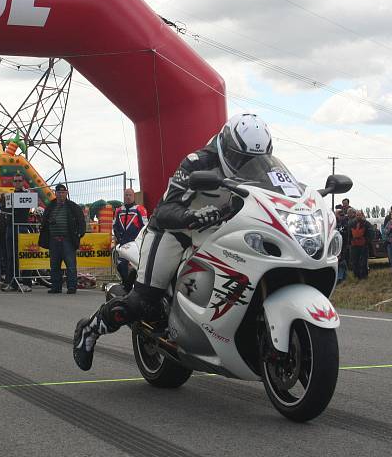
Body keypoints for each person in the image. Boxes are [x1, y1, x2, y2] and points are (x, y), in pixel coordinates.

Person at [72, 113, 274, 371]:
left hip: (222, 234)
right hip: (174, 232)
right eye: (241, 158)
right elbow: (165, 210)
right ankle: (90, 329)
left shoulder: (265, 167)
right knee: (143, 301)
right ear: (226, 146)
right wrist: (194, 216)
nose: (248, 164)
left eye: (254, 159)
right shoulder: (197, 162)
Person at [40, 183, 85, 294]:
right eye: (58, 192)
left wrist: (79, 234)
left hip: (68, 240)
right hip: (54, 240)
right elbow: (44, 221)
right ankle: (56, 287)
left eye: (63, 192)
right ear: (55, 193)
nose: (60, 195)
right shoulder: (50, 206)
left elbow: (81, 222)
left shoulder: (73, 207)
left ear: (66, 193)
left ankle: (72, 287)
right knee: (54, 265)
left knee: (70, 265)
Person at [1, 176, 34, 292]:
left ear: (23, 182)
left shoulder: (26, 194)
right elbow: (4, 210)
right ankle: (12, 282)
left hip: (21, 226)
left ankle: (27, 283)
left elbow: (23, 210)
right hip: (10, 227)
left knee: (23, 255)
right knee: (11, 256)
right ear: (13, 183)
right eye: (15, 181)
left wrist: (9, 207)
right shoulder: (10, 196)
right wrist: (3, 203)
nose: (18, 183)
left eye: (20, 181)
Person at [112, 188, 148, 286]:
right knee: (120, 265)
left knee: (136, 265)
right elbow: (115, 226)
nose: (128, 197)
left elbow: (145, 226)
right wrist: (118, 238)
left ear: (133, 196)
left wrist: (141, 240)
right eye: (126, 195)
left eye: (130, 195)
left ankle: (136, 285)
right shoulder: (118, 210)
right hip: (123, 242)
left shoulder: (140, 209)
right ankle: (126, 284)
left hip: (135, 243)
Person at [349, 210, 373, 279]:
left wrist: (366, 241)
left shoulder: (367, 224)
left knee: (363, 261)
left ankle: (364, 275)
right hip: (354, 245)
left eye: (359, 215)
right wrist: (350, 241)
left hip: (363, 245)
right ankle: (356, 275)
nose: (358, 216)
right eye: (357, 215)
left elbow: (371, 234)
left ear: (362, 215)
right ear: (355, 216)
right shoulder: (352, 224)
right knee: (355, 261)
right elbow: (349, 234)